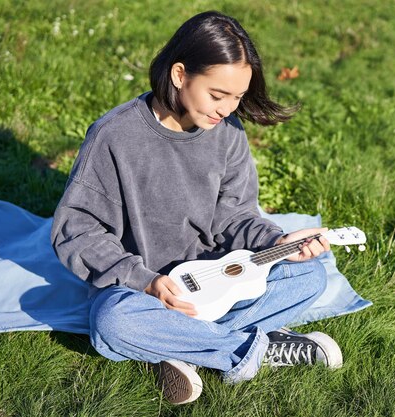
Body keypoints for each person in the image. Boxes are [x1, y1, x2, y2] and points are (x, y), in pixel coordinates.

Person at [50, 11, 342, 405]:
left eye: (238, 97)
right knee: (113, 322)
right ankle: (252, 350)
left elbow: (235, 215)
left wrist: (279, 240)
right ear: (179, 74)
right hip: (143, 289)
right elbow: (78, 231)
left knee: (309, 276)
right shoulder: (115, 136)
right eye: (218, 95)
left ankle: (179, 345)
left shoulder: (227, 132)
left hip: (217, 276)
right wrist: (143, 280)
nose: (227, 109)